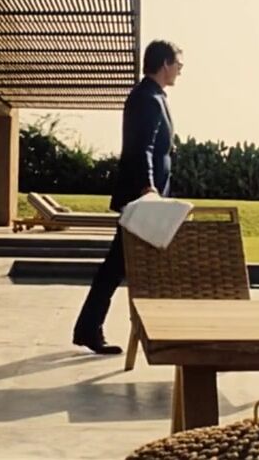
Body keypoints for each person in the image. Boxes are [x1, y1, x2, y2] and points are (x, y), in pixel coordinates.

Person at [72, 40, 183, 354]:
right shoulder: (146, 98)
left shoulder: (154, 96)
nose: (180, 71)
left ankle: (89, 328)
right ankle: (92, 329)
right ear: (165, 63)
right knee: (119, 265)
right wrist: (148, 187)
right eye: (178, 64)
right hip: (142, 199)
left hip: (147, 197)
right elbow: (142, 148)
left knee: (119, 265)